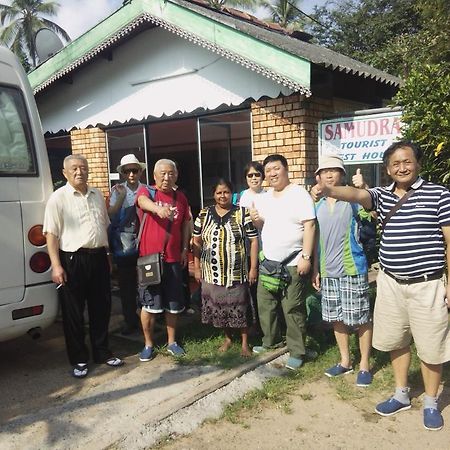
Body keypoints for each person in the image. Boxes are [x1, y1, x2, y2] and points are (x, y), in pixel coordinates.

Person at [312, 141, 450, 431]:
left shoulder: (439, 194)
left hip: (428, 284)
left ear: (417, 163)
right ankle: (401, 394)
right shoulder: (382, 196)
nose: (402, 167)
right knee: (396, 340)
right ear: (387, 169)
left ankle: (430, 402)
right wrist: (330, 190)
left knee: (431, 345)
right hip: (390, 283)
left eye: (407, 161)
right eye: (395, 164)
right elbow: (357, 194)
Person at [44, 154, 124, 379]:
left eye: (83, 168)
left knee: (101, 307)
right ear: (65, 173)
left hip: (98, 257)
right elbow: (51, 234)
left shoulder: (97, 194)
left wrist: (107, 255)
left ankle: (102, 352)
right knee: (73, 313)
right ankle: (79, 358)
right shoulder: (58, 198)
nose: (80, 172)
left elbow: (103, 226)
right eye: (74, 169)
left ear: (88, 170)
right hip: (72, 260)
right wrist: (56, 266)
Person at [249, 154, 316, 370]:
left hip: (293, 262)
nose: (272, 174)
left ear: (286, 169)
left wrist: (306, 257)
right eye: (268, 171)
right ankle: (271, 340)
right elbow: (263, 226)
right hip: (269, 262)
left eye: (276, 169)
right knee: (266, 303)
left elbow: (310, 226)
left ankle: (297, 350)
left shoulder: (299, 194)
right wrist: (255, 218)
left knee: (292, 307)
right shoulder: (265, 197)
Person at [312, 155, 373, 387]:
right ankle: (345, 361)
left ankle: (365, 365)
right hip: (329, 270)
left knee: (361, 317)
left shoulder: (353, 200)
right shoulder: (316, 204)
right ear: (318, 177)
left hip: (352, 268)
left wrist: (364, 188)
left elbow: (373, 213)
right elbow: (316, 238)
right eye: (324, 171)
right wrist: (316, 267)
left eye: (334, 170)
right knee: (337, 317)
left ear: (342, 175)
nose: (329, 175)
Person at [192, 179, 258, 356]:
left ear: (232, 194)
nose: (223, 196)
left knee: (240, 306)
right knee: (220, 307)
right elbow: (196, 242)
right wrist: (197, 268)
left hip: (237, 272)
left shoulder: (242, 213)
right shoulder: (204, 214)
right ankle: (228, 338)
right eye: (219, 192)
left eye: (226, 192)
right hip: (212, 273)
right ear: (213, 194)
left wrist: (253, 268)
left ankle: (245, 343)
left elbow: (253, 240)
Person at [136, 159, 191, 361]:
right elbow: (142, 202)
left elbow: (186, 224)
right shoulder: (147, 192)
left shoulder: (181, 198)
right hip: (149, 259)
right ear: (155, 175)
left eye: (171, 173)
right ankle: (148, 344)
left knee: (173, 302)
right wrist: (158, 209)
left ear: (176, 176)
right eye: (163, 173)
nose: (167, 177)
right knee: (149, 303)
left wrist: (185, 248)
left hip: (173, 259)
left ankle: (171, 342)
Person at [108, 154, 147, 335]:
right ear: (122, 173)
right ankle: (130, 321)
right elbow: (111, 215)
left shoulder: (147, 190)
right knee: (126, 285)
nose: (131, 174)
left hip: (144, 241)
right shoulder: (117, 190)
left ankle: (148, 319)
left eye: (134, 170)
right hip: (124, 245)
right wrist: (122, 198)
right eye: (127, 171)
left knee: (147, 282)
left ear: (140, 171)